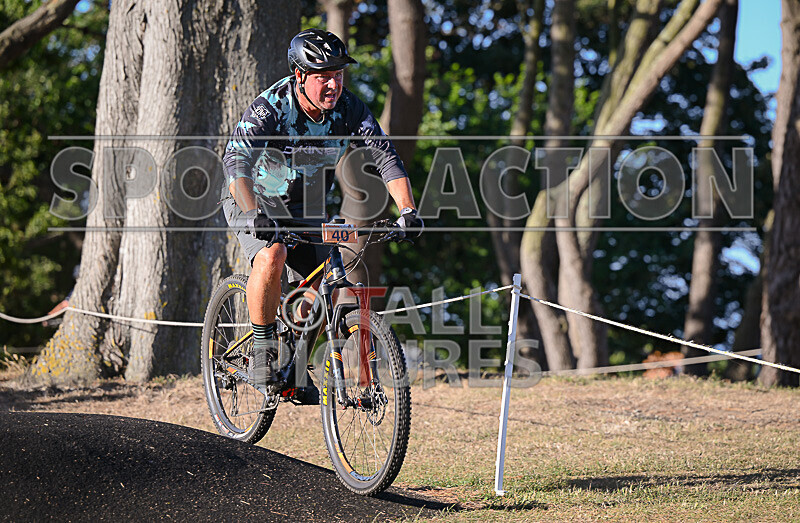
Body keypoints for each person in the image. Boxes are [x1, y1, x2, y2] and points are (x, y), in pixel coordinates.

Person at [221, 29, 423, 402]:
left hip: (308, 205)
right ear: (299, 76)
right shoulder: (270, 107)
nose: (333, 84)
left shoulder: (350, 108)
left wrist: (407, 210)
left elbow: (385, 157)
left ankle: (295, 366)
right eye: (323, 76)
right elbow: (236, 162)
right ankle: (264, 352)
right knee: (273, 254)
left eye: (339, 74)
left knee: (328, 281)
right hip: (254, 197)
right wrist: (253, 215)